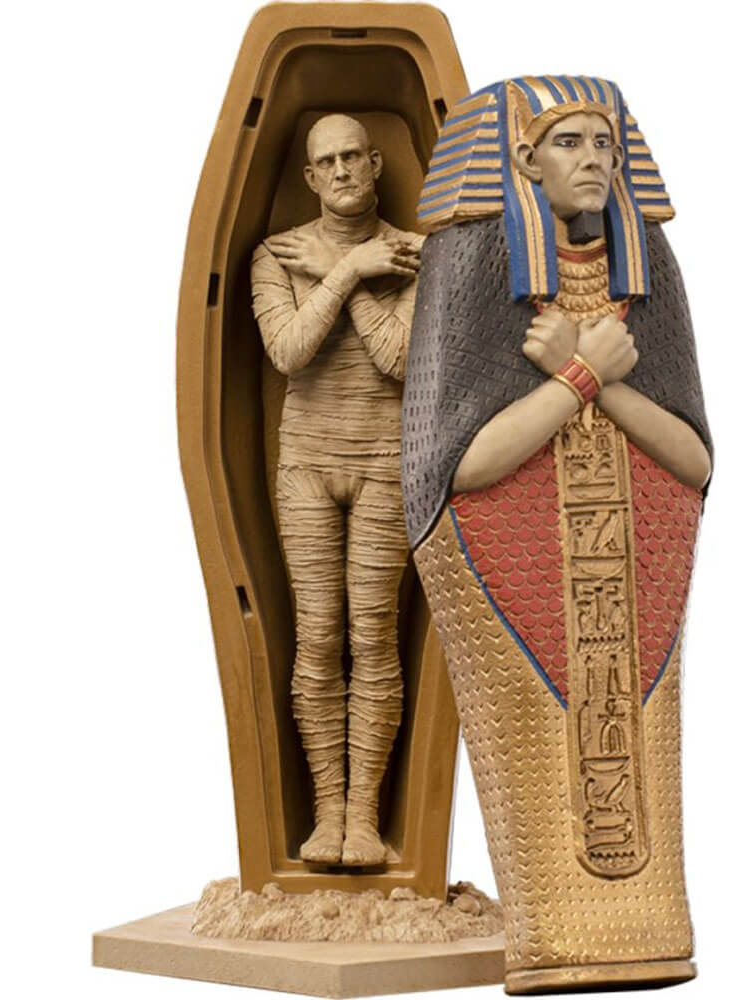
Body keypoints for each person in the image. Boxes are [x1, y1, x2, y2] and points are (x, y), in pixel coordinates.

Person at [402, 76, 712, 990]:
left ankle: (646, 930)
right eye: (569, 142)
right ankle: (553, 936)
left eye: (605, 144)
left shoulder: (650, 273)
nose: (593, 160)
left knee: (627, 739)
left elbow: (692, 460)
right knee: (550, 750)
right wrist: (582, 380)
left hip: (634, 562)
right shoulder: (468, 266)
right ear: (522, 160)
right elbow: (457, 466)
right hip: (512, 558)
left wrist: (588, 374)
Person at [250, 114, 422, 867]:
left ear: (376, 163)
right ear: (311, 177)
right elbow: (289, 352)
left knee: (373, 633)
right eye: (328, 161)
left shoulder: (415, 254)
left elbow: (399, 359)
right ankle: (328, 812)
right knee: (318, 633)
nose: (343, 170)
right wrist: (350, 270)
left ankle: (365, 817)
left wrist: (340, 270)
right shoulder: (278, 254)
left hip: (386, 460)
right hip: (308, 464)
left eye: (354, 155)